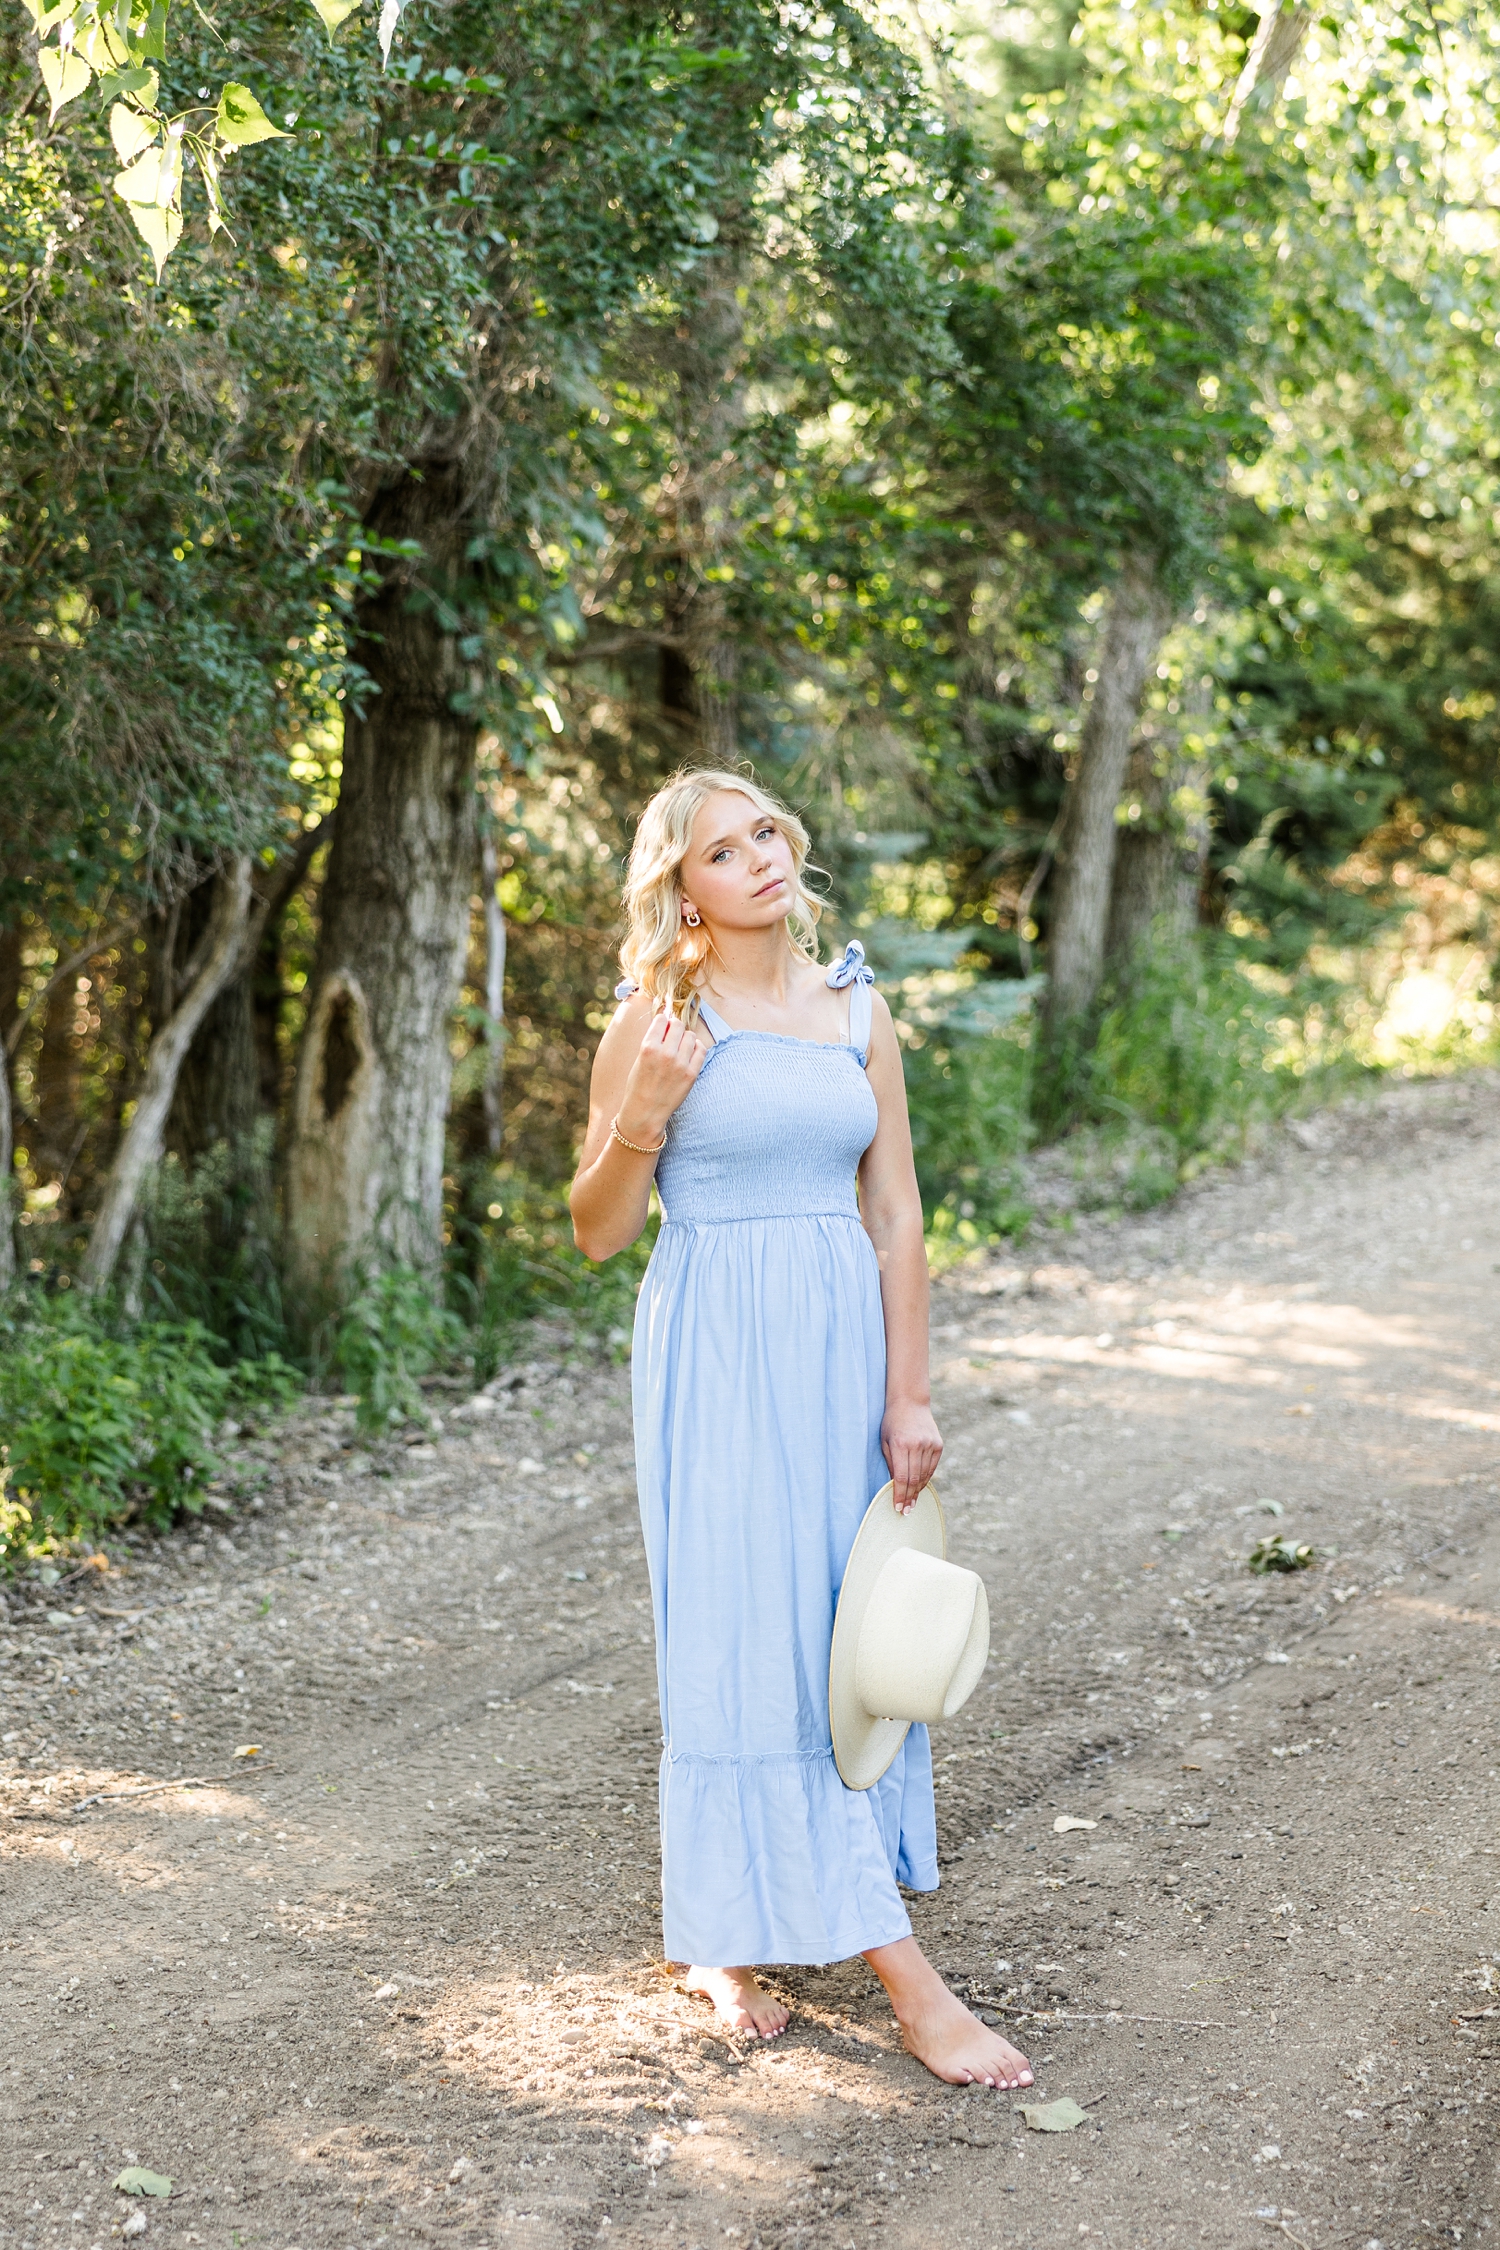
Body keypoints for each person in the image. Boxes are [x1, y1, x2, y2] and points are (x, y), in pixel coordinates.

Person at [570, 767, 1032, 2091]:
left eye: (764, 830)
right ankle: (904, 1980)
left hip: (842, 1356)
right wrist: (648, 1108)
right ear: (683, 889)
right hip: (717, 1353)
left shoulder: (855, 1009)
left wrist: (911, 1389)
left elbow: (896, 1211)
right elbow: (598, 1230)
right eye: (721, 849)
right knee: (746, 1641)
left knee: (845, 1630)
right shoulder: (655, 1018)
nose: (758, 858)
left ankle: (731, 1921)